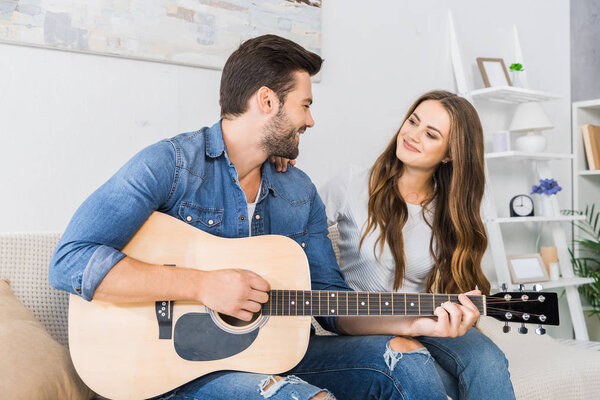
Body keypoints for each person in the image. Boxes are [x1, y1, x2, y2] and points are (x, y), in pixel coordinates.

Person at [50, 35, 481, 400]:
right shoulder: (170, 164)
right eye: (305, 105)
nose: (310, 120)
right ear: (267, 100)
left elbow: (332, 305)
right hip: (177, 368)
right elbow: (70, 261)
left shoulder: (298, 191)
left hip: (280, 351)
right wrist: (202, 285)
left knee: (406, 356)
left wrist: (413, 320)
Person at [317, 90, 516, 400]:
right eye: (413, 121)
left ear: (450, 154)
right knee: (430, 376)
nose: (412, 135)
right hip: (362, 322)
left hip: (422, 318)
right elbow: (298, 229)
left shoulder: (451, 209)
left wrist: (466, 313)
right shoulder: (351, 184)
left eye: (431, 134)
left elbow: (458, 283)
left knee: (489, 362)